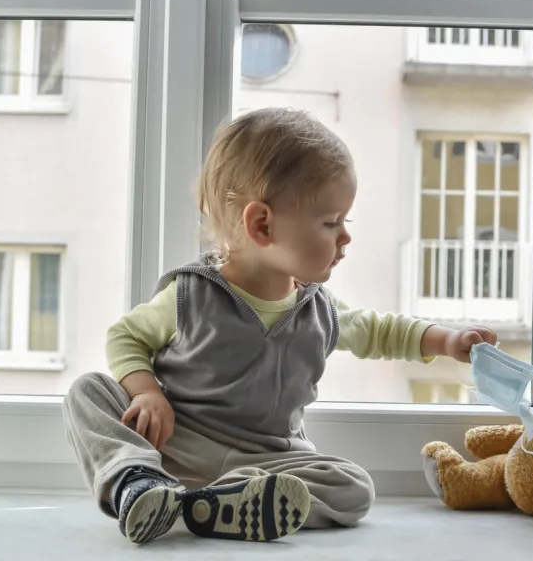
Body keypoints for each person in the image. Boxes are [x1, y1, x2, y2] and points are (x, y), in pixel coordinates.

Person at [62, 107, 497, 545]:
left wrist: (446, 340)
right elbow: (125, 336)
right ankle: (136, 483)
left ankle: (218, 504)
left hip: (269, 460)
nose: (345, 236)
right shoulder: (189, 296)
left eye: (345, 220)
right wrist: (147, 393)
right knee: (89, 392)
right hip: (178, 441)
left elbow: (379, 330)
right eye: (331, 222)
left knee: (352, 487)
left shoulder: (318, 308)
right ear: (261, 225)